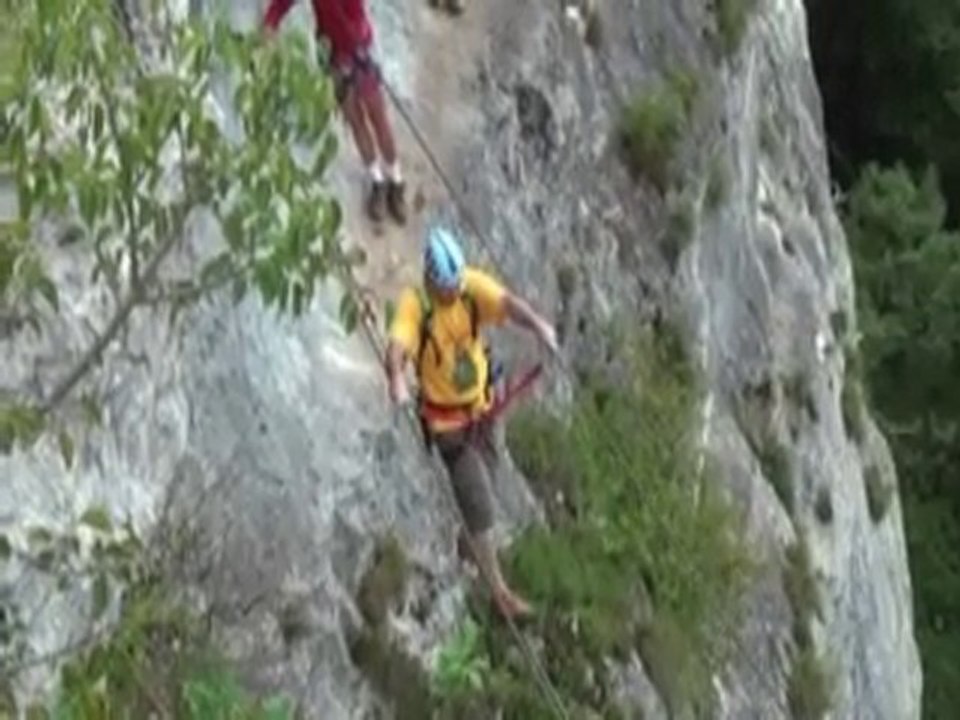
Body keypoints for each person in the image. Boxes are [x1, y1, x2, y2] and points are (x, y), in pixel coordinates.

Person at [385, 221, 559, 619]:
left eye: (454, 285)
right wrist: (396, 378)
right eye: (445, 287)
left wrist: (538, 326)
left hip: (482, 414)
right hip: (450, 431)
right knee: (481, 505)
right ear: (431, 279)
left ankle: (470, 546)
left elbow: (508, 304)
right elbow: (398, 345)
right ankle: (500, 592)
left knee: (487, 486)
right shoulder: (416, 305)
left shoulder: (468, 288)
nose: (452, 292)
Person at [263, 0, 407, 225]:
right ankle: (377, 180)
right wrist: (270, 25)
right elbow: (281, 5)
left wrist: (359, 45)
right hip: (334, 56)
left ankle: (396, 180)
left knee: (378, 118)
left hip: (359, 49)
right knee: (356, 121)